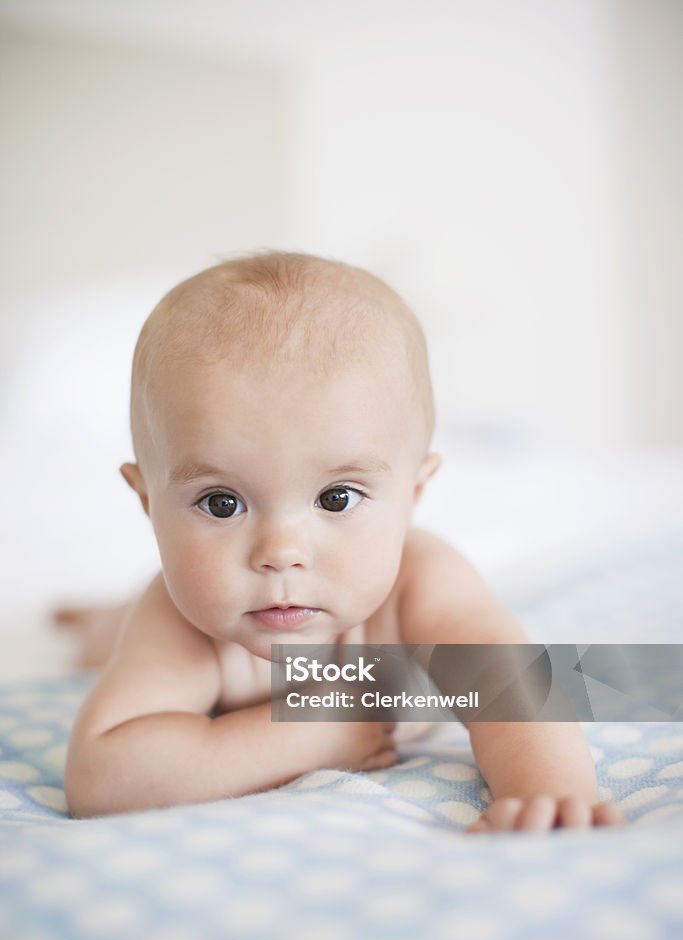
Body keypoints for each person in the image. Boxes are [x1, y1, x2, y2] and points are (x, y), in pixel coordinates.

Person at [61, 251, 624, 832]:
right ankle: (102, 620)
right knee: (112, 636)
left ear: (413, 492)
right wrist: (312, 731)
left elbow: (506, 684)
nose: (281, 552)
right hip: (151, 622)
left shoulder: (424, 581)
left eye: (336, 499)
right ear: (148, 501)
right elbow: (103, 780)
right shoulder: (184, 620)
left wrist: (550, 788)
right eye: (221, 503)